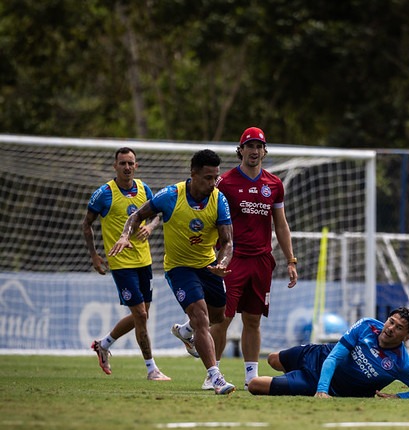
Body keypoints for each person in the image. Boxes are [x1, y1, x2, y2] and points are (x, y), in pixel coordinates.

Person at [172, 127, 298, 391]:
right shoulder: (225, 182)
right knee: (222, 319)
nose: (254, 151)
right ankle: (213, 373)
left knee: (253, 320)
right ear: (240, 150)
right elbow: (207, 216)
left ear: (265, 151)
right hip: (232, 260)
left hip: (262, 261)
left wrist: (291, 260)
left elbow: (281, 225)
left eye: (258, 146)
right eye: (249, 146)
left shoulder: (274, 184)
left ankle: (251, 375)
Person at [109, 149, 236, 394]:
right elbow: (137, 216)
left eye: (215, 178)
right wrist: (125, 235)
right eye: (208, 178)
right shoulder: (170, 195)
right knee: (201, 317)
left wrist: (222, 263)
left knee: (218, 316)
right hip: (179, 268)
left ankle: (185, 331)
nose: (213, 183)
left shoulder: (219, 199)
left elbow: (228, 241)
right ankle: (215, 377)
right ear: (193, 174)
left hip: (208, 266)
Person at [81, 147, 169, 381]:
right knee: (140, 314)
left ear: (136, 166)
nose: (127, 167)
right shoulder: (104, 194)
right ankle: (152, 369)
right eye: (122, 163)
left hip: (144, 261)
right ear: (115, 166)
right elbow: (86, 224)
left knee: (142, 315)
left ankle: (103, 344)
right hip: (120, 263)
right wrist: (94, 256)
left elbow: (159, 213)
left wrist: (151, 226)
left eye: (131, 163)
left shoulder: (144, 189)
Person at [247, 307, 409, 398]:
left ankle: (294, 380)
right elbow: (334, 357)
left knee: (255, 385)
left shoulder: (404, 363)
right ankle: (293, 376)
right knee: (273, 359)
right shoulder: (367, 326)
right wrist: (322, 390)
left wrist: (398, 396)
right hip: (319, 356)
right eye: (391, 321)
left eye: (399, 327)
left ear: (406, 337)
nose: (390, 328)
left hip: (322, 384)